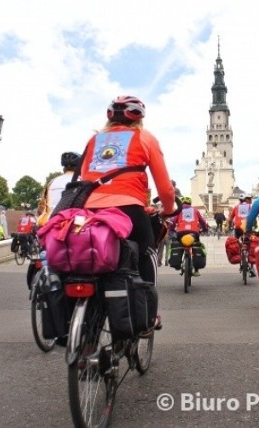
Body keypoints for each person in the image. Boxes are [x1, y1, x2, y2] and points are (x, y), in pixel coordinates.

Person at [79, 95, 176, 318]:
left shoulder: (93, 140)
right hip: (129, 210)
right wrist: (169, 210)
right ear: (138, 119)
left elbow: (85, 178)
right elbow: (166, 190)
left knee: (89, 255)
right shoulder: (144, 137)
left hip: (89, 211)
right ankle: (148, 313)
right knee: (147, 252)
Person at [37, 151, 81, 226]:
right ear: (80, 167)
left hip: (47, 225)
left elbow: (40, 209)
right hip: (69, 226)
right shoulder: (82, 181)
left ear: (64, 168)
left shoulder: (51, 182)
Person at [170, 196, 209, 276]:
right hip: (194, 232)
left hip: (181, 232)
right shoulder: (195, 210)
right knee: (196, 246)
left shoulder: (179, 210)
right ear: (190, 203)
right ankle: (196, 270)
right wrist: (204, 229)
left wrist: (173, 229)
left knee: (179, 245)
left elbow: (173, 222)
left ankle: (177, 263)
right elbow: (202, 222)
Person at [228, 194, 256, 276]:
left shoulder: (236, 207)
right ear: (245, 200)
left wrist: (229, 226)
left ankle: (241, 257)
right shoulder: (249, 206)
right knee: (249, 243)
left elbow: (230, 219)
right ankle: (252, 267)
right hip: (247, 227)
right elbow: (253, 217)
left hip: (238, 228)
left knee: (237, 242)